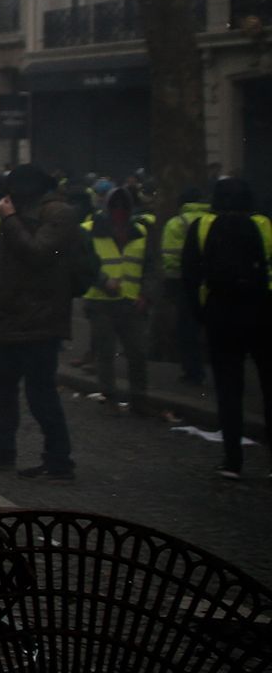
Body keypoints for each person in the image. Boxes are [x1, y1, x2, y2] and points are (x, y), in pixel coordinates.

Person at [0, 163, 84, 482]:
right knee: (2, 387)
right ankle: (2, 450)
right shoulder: (21, 212)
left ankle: (59, 460)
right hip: (11, 317)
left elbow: (38, 253)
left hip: (40, 320)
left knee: (40, 391)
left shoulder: (59, 213)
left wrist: (9, 220)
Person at [182, 176, 271, 479]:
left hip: (221, 313)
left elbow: (190, 276)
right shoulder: (264, 224)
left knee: (229, 391)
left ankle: (232, 460)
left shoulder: (202, 226)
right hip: (262, 312)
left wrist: (201, 316)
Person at [79, 186, 155, 409]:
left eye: (124, 207)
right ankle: (109, 395)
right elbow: (84, 264)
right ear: (107, 208)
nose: (120, 211)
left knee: (138, 353)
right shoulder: (89, 230)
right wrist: (104, 282)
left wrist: (146, 295)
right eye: (115, 207)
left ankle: (139, 398)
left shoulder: (140, 231)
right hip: (101, 302)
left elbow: (151, 267)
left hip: (132, 302)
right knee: (106, 353)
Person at [156, 187, 211, 386]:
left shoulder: (176, 223)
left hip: (185, 283)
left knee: (187, 329)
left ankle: (193, 372)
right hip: (213, 283)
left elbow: (169, 257)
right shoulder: (211, 219)